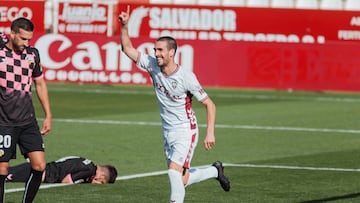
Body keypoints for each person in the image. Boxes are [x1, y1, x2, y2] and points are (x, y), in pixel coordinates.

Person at [119, 6, 230, 203]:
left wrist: (210, 132)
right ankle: (215, 170)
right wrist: (125, 26)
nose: (156, 53)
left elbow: (210, 104)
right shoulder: (152, 64)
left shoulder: (187, 77)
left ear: (172, 53)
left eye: (160, 50)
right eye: (155, 49)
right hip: (167, 130)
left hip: (186, 130)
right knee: (182, 179)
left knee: (173, 172)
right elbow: (127, 49)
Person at [0, 17, 52, 203]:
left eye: (29, 39)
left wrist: (48, 114)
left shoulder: (33, 54)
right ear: (12, 34)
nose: (26, 43)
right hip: (3, 122)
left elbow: (40, 83)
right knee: (2, 170)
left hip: (28, 121)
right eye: (22, 39)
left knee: (39, 166)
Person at [6, 156, 118, 184]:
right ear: (101, 176)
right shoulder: (89, 171)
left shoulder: (87, 162)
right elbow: (67, 181)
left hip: (39, 169)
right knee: (4, 176)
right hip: (39, 173)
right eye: (101, 182)